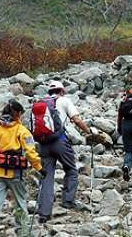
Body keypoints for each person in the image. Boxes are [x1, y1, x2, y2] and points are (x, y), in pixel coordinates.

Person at [36, 81, 96, 223]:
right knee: (71, 170)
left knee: (46, 176)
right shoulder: (64, 100)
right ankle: (67, 200)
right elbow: (76, 119)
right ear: (62, 91)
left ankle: (44, 213)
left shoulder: (41, 103)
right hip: (60, 142)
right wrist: (89, 131)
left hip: (43, 144)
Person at [0, 99, 45, 237]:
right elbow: (30, 152)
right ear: (18, 114)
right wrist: (39, 168)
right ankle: (23, 232)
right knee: (20, 204)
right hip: (15, 174)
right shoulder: (22, 131)